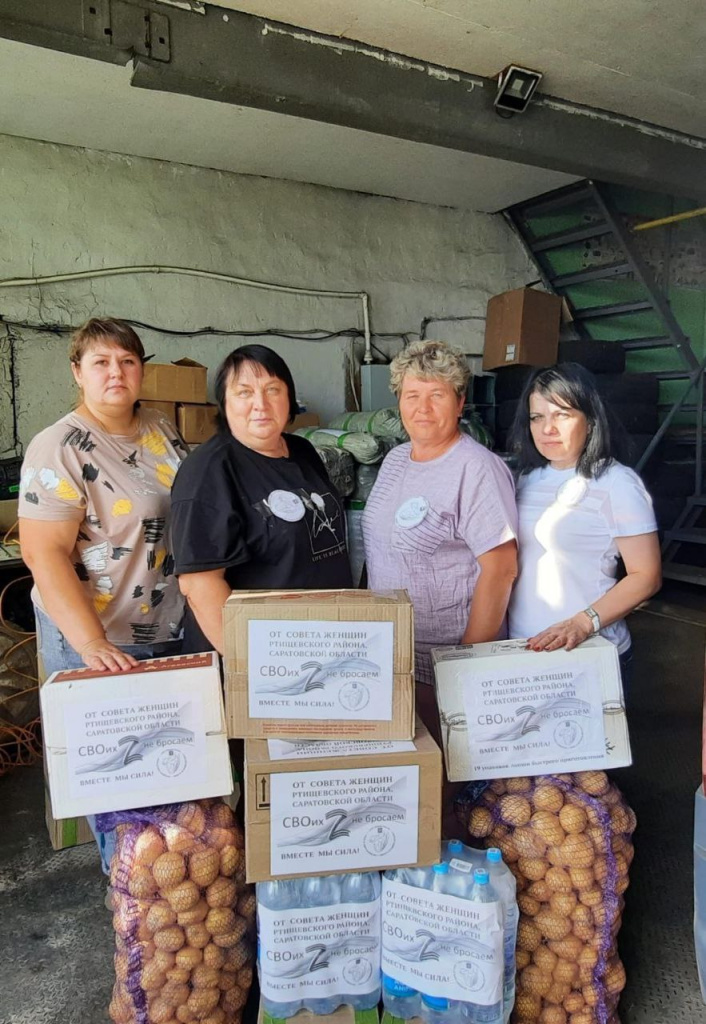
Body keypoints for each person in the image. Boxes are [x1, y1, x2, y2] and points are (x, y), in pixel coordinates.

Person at [19, 317, 187, 870]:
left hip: (164, 629)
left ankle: (172, 913)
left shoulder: (160, 428)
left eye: (128, 361)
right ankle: (135, 922)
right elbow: (42, 553)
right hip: (98, 642)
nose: (116, 372)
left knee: (168, 778)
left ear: (142, 370)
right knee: (122, 798)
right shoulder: (58, 446)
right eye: (101, 362)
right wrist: (91, 645)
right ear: (78, 372)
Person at [361, 339, 518, 742]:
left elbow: (500, 570)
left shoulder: (477, 469)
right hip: (391, 652)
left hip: (443, 660)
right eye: (412, 395)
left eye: (437, 395)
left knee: (442, 777)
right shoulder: (395, 460)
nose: (423, 408)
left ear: (460, 402)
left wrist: (463, 666)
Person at [170, 344, 352, 655]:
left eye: (272, 389)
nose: (260, 404)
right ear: (224, 402)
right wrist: (252, 666)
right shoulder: (208, 472)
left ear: (289, 397)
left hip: (319, 643)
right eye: (244, 392)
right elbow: (199, 586)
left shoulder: (302, 451)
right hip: (262, 656)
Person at [507, 363, 661, 684]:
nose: (547, 428)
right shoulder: (524, 480)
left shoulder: (616, 483)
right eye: (537, 417)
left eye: (562, 415)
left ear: (590, 421)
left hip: (591, 654)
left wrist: (581, 623)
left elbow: (646, 576)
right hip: (522, 649)